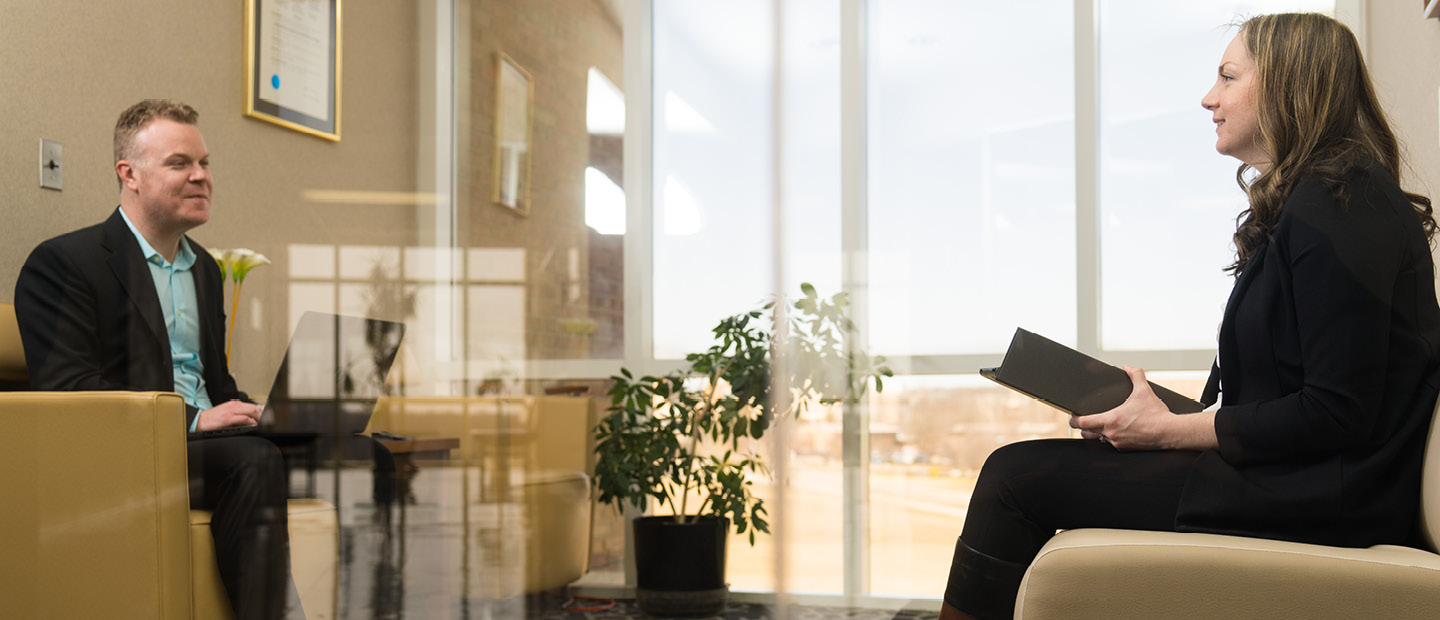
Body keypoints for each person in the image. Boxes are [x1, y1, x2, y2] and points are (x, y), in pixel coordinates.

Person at [940, 13, 1440, 620]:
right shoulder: (1326, 197)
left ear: (1288, 83)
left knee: (1012, 480)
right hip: (1297, 473)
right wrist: (1160, 418)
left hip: (1328, 492)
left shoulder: (1341, 201)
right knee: (1017, 471)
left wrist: (1166, 432)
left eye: (1228, 77)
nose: (1209, 98)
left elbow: (1337, 411)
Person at [14, 100, 302, 620]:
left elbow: (214, 381)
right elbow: (68, 389)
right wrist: (193, 420)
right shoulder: (63, 263)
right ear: (130, 174)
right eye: (179, 163)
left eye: (205, 163)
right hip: (138, 453)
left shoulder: (205, 269)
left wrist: (259, 412)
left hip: (212, 444)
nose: (201, 176)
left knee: (363, 454)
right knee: (254, 460)